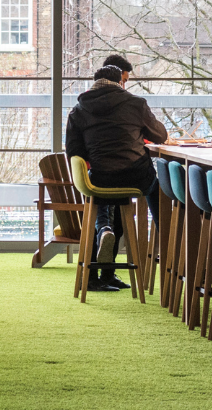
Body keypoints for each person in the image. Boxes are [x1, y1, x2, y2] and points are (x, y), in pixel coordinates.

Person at [64, 64, 169, 292]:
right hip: (136, 178)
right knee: (155, 188)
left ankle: (98, 262)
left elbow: (74, 152)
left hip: (100, 179)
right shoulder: (136, 103)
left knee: (104, 197)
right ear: (120, 82)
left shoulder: (78, 110)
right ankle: (168, 238)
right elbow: (160, 135)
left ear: (94, 83)